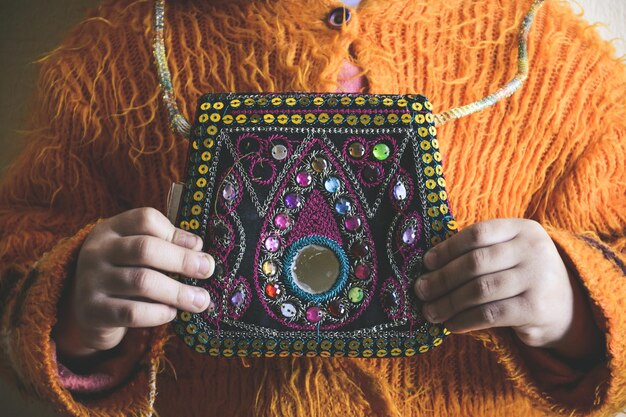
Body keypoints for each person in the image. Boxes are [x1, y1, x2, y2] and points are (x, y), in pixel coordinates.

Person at [0, 0, 624, 416]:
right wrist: (76, 313)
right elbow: (23, 251)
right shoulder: (110, 58)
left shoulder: (546, 53)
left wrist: (572, 301)